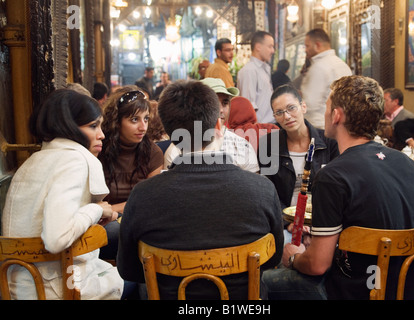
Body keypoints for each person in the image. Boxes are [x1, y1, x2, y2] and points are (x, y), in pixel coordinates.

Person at [263, 75, 414, 300]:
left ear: (337, 115)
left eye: (327, 107)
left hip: (358, 292)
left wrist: (294, 257)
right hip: (408, 290)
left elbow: (317, 266)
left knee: (265, 282)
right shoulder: (407, 164)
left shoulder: (332, 176)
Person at [116, 79, 284, 300]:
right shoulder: (262, 189)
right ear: (217, 125)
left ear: (169, 133)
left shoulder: (143, 195)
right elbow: (272, 258)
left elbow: (129, 270)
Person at [2, 89, 124, 299]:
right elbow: (57, 238)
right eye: (93, 126)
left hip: (18, 286)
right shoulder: (74, 161)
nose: (101, 134)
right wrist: (96, 209)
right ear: (67, 126)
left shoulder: (33, 161)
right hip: (57, 288)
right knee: (140, 276)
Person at [258, 84, 339, 244]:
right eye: (279, 112)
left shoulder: (329, 142)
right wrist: (290, 223)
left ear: (303, 107)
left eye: (291, 108)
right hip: (286, 222)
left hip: (324, 222)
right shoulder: (269, 144)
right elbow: (268, 193)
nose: (287, 116)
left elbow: (336, 191)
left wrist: (315, 225)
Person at [98, 86, 164, 259]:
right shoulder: (99, 150)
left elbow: (148, 201)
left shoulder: (153, 152)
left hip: (136, 219)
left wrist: (110, 209)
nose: (143, 127)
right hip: (102, 222)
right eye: (134, 120)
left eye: (146, 119)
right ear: (116, 121)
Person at [164, 78, 260, 173]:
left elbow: (254, 185)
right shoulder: (176, 150)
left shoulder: (241, 146)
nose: (221, 110)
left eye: (225, 103)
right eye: (213, 103)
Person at [300, 28, 352, 129]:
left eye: (307, 46)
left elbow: (309, 104)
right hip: (342, 127)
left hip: (321, 128)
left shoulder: (319, 67)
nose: (305, 50)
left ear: (318, 45)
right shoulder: (343, 65)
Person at [237, 30, 276, 124]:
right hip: (259, 130)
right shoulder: (249, 70)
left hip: (269, 126)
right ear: (258, 47)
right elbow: (248, 106)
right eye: (270, 46)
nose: (273, 51)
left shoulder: (263, 69)